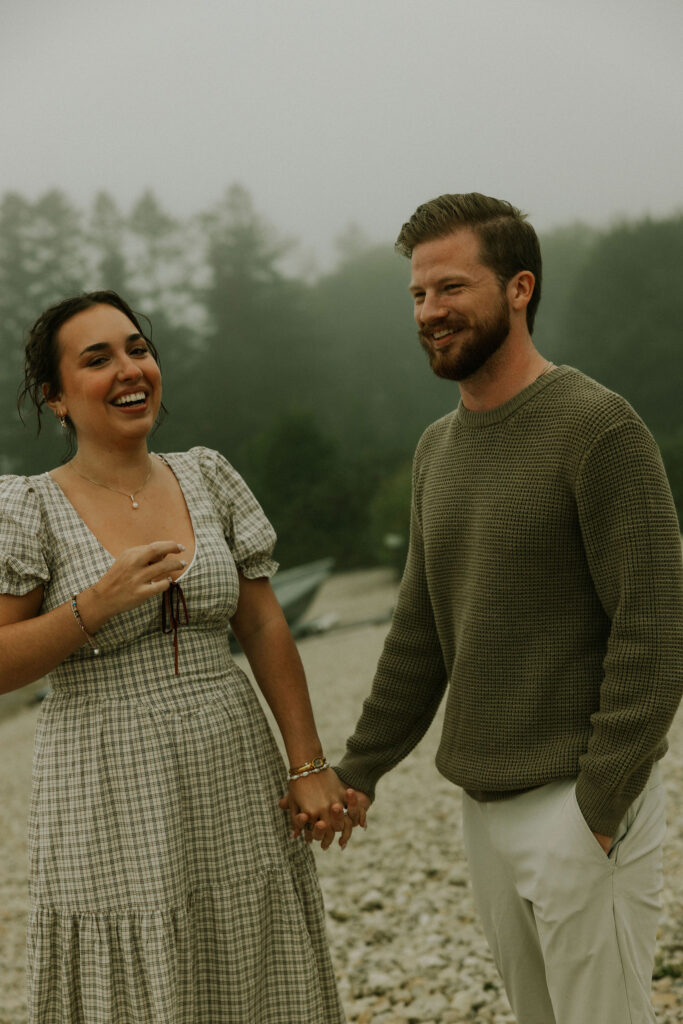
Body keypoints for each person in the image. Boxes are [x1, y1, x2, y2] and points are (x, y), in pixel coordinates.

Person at [299, 194, 683, 1024]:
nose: (429, 312)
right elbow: (420, 631)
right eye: (416, 295)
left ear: (517, 288)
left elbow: (653, 629)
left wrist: (600, 801)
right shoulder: (437, 450)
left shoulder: (597, 427)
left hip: (578, 799)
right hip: (481, 807)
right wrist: (360, 768)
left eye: (450, 288)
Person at [0, 290, 351, 1023]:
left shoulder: (207, 475)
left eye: (137, 348)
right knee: (137, 979)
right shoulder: (28, 508)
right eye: (96, 360)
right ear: (55, 397)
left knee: (254, 964)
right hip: (103, 782)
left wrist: (309, 765)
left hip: (231, 759)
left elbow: (260, 626)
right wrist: (93, 605)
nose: (130, 369)